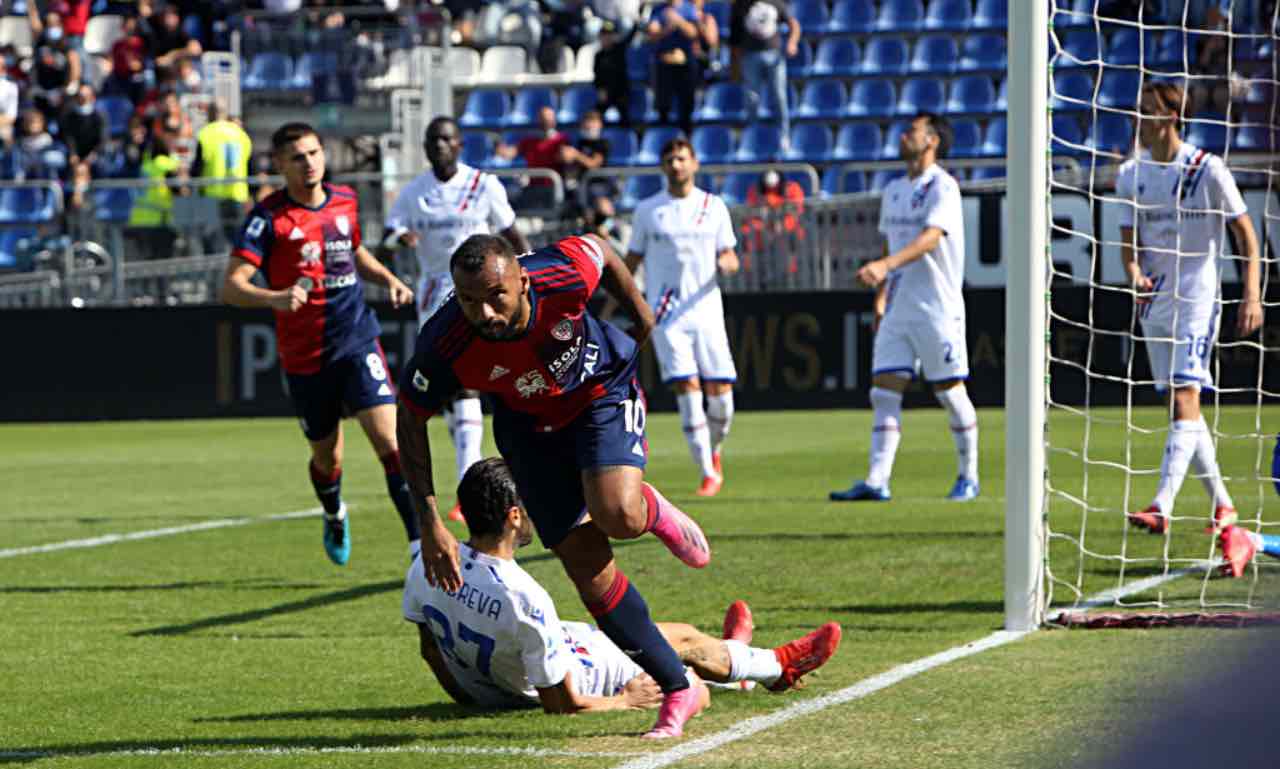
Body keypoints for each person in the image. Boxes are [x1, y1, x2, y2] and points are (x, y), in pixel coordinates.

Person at [395, 231, 717, 739]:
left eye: (495, 295)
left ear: (522, 281)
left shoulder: (561, 272)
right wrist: (430, 521)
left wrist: (641, 314)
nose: (484, 313)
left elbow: (604, 248)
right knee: (589, 574)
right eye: (469, 300)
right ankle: (678, 689)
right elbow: (409, 420)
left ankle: (646, 508)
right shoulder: (446, 339)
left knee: (617, 515)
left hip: (599, 393)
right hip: (526, 428)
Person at [403, 457, 843, 713]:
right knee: (689, 668)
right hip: (582, 671)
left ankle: (741, 663)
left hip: (520, 662)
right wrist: (624, 701)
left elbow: (428, 650)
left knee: (675, 632)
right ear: (514, 516)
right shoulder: (524, 598)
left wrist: (477, 698)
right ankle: (777, 666)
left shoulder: (427, 561)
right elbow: (563, 703)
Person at [221, 122, 420, 567]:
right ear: (279, 165)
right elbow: (230, 286)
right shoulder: (267, 219)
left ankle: (418, 547)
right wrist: (275, 297)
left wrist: (387, 278)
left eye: (314, 153)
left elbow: (354, 252)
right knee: (327, 459)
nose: (309, 163)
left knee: (392, 442)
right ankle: (333, 511)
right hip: (305, 355)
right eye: (297, 157)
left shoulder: (345, 201)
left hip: (356, 339)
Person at [1121, 82, 1263, 536]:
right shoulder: (1131, 174)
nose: (1136, 120)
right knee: (1181, 407)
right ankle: (1224, 505)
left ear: (1168, 117)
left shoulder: (1207, 169)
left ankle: (1161, 504)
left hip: (1198, 299)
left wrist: (1252, 293)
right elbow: (1129, 246)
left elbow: (1246, 234)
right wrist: (1133, 272)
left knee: (1186, 396)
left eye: (1144, 112)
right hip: (1155, 302)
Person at [382, 116, 530, 520]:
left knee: (485, 380)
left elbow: (513, 236)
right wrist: (401, 238)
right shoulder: (415, 192)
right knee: (454, 385)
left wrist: (531, 275)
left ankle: (478, 482)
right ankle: (473, 482)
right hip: (434, 295)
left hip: (482, 295)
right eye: (433, 141)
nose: (439, 146)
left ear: (460, 144)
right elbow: (387, 234)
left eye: (446, 139)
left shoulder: (484, 185)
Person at [829, 113, 980, 503]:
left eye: (911, 131)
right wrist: (881, 295)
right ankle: (877, 481)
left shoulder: (944, 187)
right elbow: (890, 246)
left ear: (931, 140)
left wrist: (884, 267)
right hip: (897, 308)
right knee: (884, 392)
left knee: (949, 391)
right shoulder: (894, 189)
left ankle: (969, 476)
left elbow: (930, 238)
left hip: (937, 308)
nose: (902, 136)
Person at [626, 138, 738, 496]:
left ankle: (714, 449)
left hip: (706, 310)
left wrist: (728, 264)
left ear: (695, 163)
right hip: (667, 313)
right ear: (662, 166)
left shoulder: (713, 206)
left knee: (721, 397)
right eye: (670, 159)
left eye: (682, 158)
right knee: (686, 388)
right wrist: (617, 295)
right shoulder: (648, 210)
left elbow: (730, 254)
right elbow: (632, 260)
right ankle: (707, 471)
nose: (676, 165)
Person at [730, 0, 799, 150]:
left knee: (779, 96)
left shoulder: (776, 3)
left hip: (774, 55)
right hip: (749, 56)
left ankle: (783, 135)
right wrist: (735, 66)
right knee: (752, 97)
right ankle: (752, 136)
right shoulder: (740, 5)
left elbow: (793, 24)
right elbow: (734, 38)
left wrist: (792, 42)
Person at [646, 0, 715, 138]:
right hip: (664, 63)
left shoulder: (689, 8)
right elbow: (653, 33)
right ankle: (663, 139)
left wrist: (677, 21)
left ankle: (687, 137)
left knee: (686, 104)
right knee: (663, 104)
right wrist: (668, 29)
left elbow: (693, 33)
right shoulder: (658, 9)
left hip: (686, 63)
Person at [193, 101, 252, 252]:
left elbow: (197, 167)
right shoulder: (241, 134)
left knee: (212, 241)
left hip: (213, 196)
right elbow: (250, 166)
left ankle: (216, 275)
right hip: (238, 195)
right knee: (239, 241)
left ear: (210, 114)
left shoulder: (206, 133)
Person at [494, 107, 570, 211]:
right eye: (543, 118)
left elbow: (568, 158)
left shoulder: (562, 140)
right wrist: (499, 146)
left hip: (552, 189)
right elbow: (509, 153)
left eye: (549, 118)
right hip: (533, 189)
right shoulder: (530, 141)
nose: (547, 121)